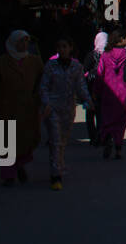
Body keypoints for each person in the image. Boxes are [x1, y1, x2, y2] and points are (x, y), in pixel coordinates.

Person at [0, 30, 44, 186]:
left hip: (27, 109)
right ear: (12, 43)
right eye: (21, 42)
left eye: (26, 42)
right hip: (6, 109)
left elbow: (42, 84)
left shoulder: (35, 62)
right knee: (6, 143)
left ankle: (18, 165)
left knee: (26, 141)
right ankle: (8, 175)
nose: (24, 45)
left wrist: (41, 101)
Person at [39, 37, 92, 190]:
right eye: (59, 46)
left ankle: (59, 163)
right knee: (55, 140)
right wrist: (46, 103)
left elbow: (81, 86)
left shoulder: (76, 67)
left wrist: (87, 100)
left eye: (65, 46)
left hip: (68, 108)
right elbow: (43, 86)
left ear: (70, 48)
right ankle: (55, 175)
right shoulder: (50, 65)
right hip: (53, 108)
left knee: (62, 139)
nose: (62, 49)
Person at [95, 29, 126, 159]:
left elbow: (100, 73)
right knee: (121, 121)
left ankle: (107, 137)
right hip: (125, 92)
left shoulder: (105, 54)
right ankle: (118, 148)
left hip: (108, 92)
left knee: (107, 118)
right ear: (120, 40)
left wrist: (97, 91)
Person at [82, 30, 108, 145]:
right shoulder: (109, 55)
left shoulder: (91, 55)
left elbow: (84, 70)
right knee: (101, 114)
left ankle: (93, 137)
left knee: (90, 114)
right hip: (105, 89)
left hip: (90, 88)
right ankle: (100, 135)